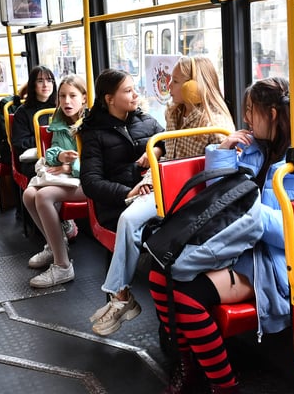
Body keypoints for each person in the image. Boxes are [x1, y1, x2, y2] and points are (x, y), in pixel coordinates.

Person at [149, 77, 294, 393]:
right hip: (237, 246)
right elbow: (218, 199)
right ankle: (189, 362)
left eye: (251, 110)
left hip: (272, 260)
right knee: (158, 275)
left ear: (274, 115)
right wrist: (223, 153)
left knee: (185, 294)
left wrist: (249, 215)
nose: (246, 119)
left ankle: (224, 385)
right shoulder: (253, 149)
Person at [89, 56, 235, 336]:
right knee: (128, 218)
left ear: (195, 86)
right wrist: (154, 158)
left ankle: (120, 298)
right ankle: (120, 297)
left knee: (129, 220)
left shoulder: (214, 125)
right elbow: (170, 149)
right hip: (163, 186)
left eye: (177, 81)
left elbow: (213, 177)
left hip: (185, 196)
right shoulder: (176, 113)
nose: (170, 85)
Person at [80, 68, 165, 234]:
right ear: (110, 99)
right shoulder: (94, 133)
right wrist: (127, 194)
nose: (135, 95)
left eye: (134, 89)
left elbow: (169, 142)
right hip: (118, 204)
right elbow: (91, 181)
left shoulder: (146, 120)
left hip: (153, 193)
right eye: (128, 91)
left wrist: (156, 150)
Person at [22, 75, 88, 288]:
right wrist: (60, 157)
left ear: (84, 98)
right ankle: (54, 244)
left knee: (43, 195)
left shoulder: (91, 123)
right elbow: (52, 152)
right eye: (62, 96)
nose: (67, 101)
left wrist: (71, 167)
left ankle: (62, 265)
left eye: (73, 96)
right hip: (71, 179)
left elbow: (93, 161)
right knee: (29, 194)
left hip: (89, 180)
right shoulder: (60, 122)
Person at [10, 65, 58, 225]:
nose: (46, 85)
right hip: (34, 160)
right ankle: (52, 222)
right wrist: (46, 139)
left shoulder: (61, 108)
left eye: (49, 80)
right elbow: (20, 143)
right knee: (44, 176)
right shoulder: (23, 113)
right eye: (40, 81)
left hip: (59, 157)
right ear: (32, 85)